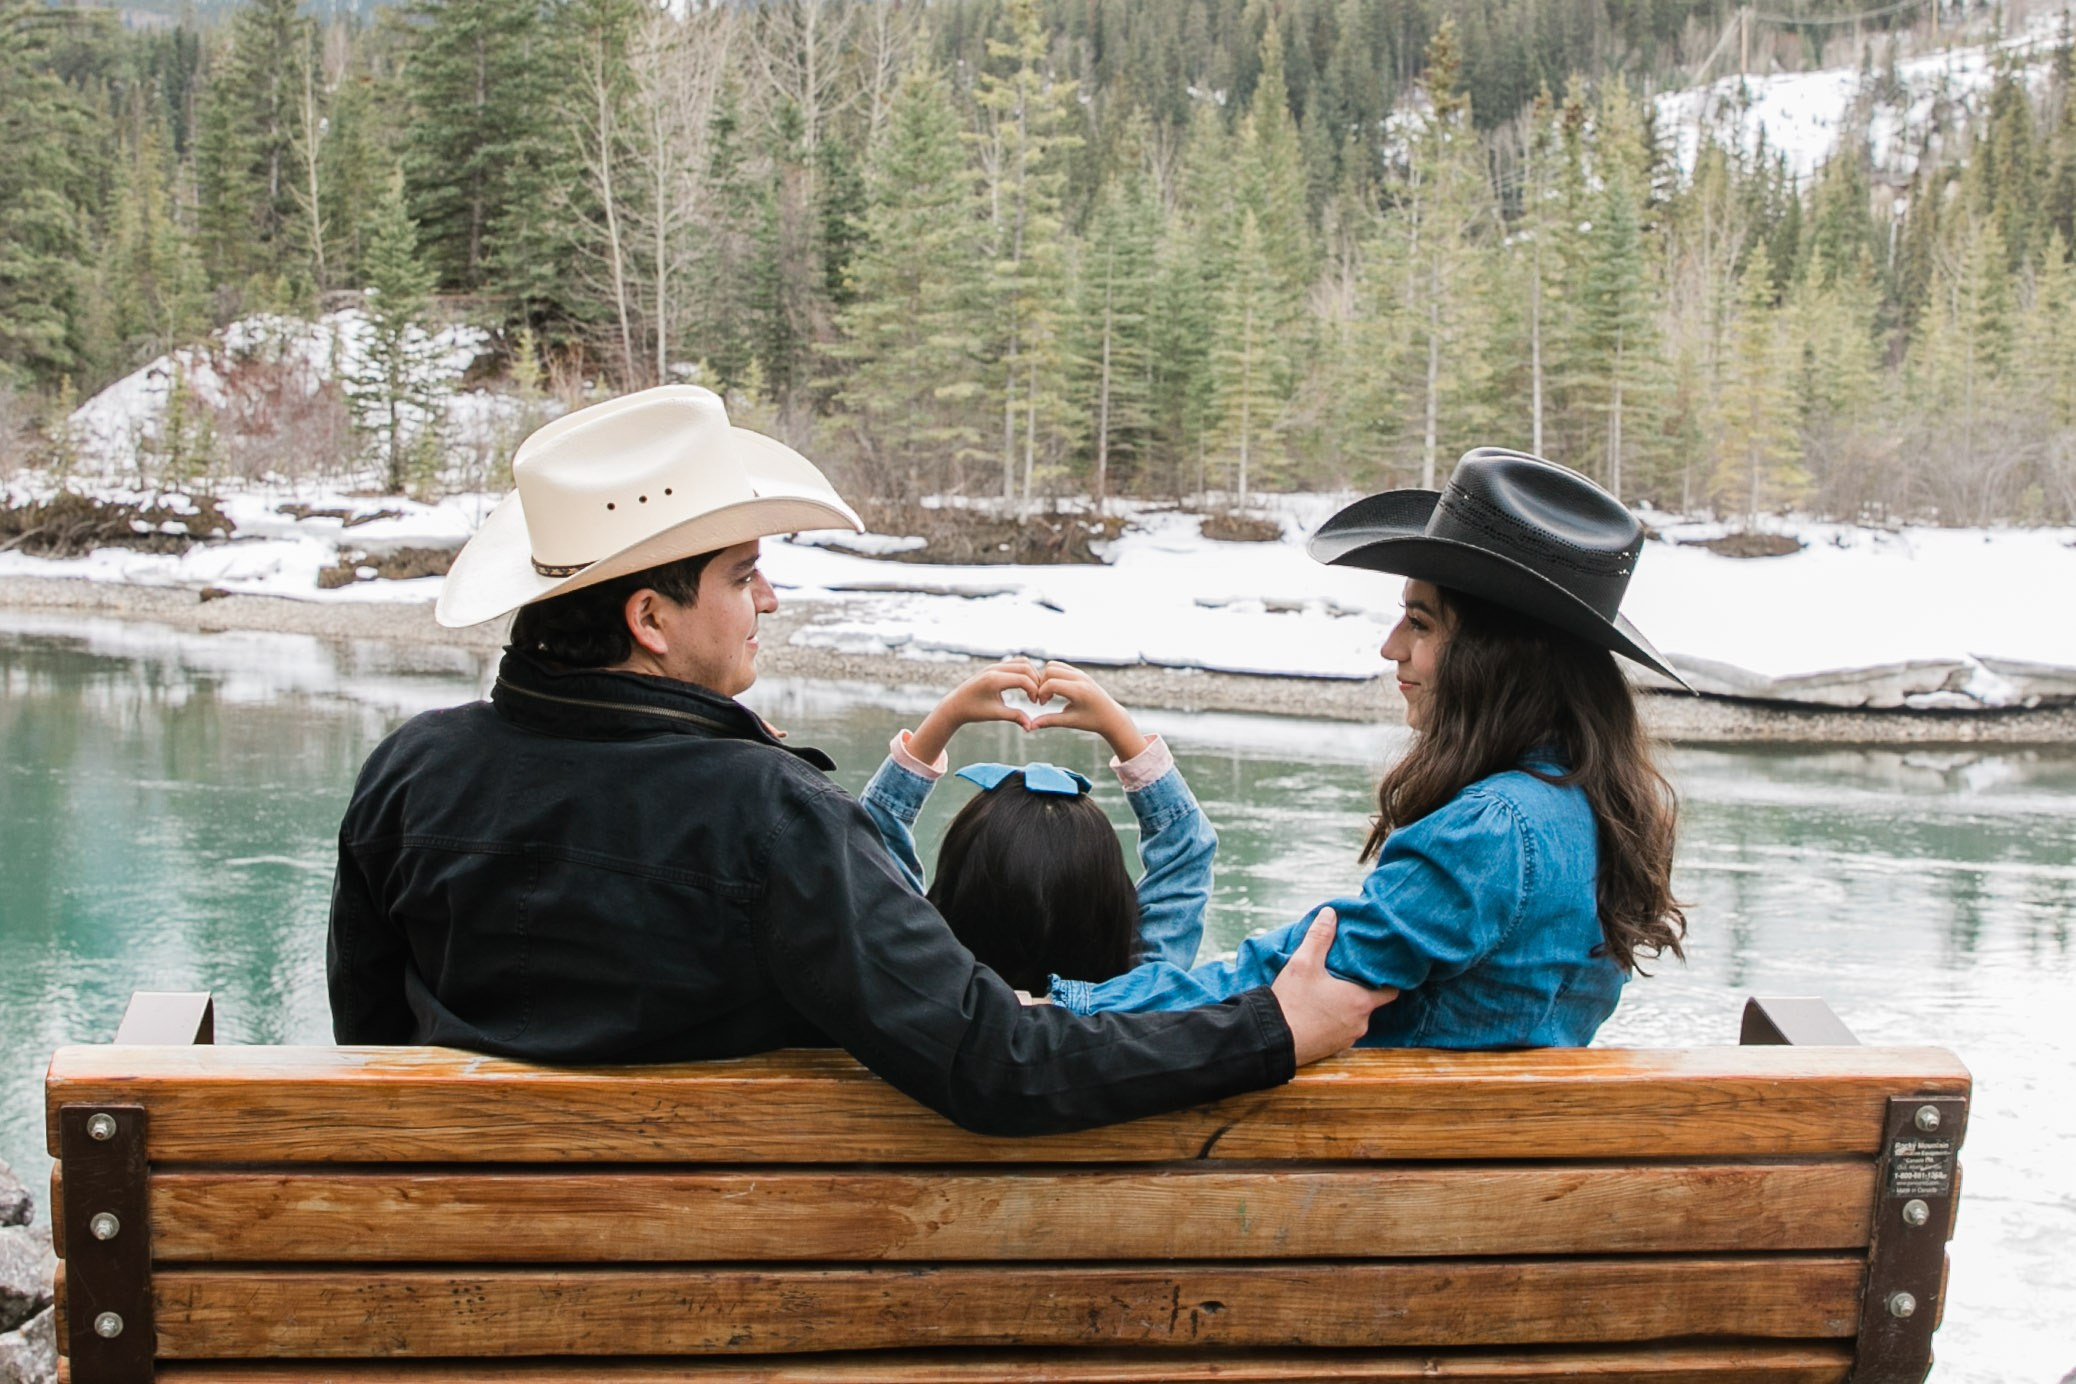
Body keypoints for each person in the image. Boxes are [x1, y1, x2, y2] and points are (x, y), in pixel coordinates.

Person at [327, 385, 1389, 1138]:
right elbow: (996, 1065)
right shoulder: (769, 817)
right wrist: (1272, 1028)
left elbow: (367, 1043)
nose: (771, 600)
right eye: (745, 575)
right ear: (651, 616)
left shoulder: (407, 773)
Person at [1051, 447, 1688, 1049]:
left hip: (1403, 1154)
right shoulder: (1593, 810)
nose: (1392, 647)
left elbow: (1288, 977)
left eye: (1420, 621)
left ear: (1496, 658)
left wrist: (1070, 1007)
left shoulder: (1492, 830)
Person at [860, 658, 1213, 994]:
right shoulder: (1135, 1002)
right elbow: (1185, 851)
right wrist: (1119, 726)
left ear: (951, 897)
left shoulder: (918, 985)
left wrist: (947, 715)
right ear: (1113, 909)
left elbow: (867, 849)